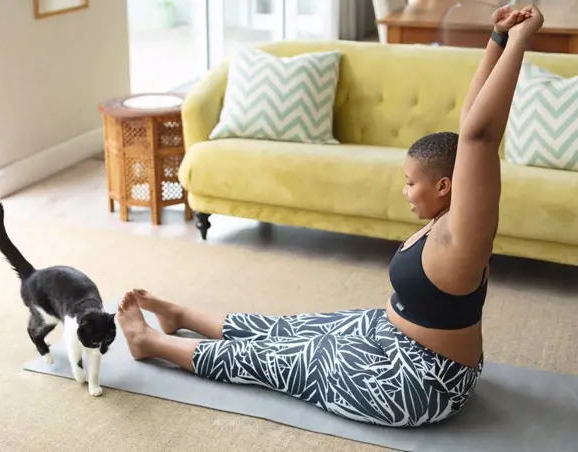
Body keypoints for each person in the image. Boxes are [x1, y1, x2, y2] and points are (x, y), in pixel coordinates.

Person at [116, 5, 544, 428]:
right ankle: (181, 316)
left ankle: (147, 342)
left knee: (286, 357)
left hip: (423, 382)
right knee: (292, 329)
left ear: (445, 186)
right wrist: (498, 38)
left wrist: (523, 40)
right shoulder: (447, 218)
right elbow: (468, 124)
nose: (405, 191)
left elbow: (480, 136)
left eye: (412, 182)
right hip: (395, 340)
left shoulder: (464, 235)